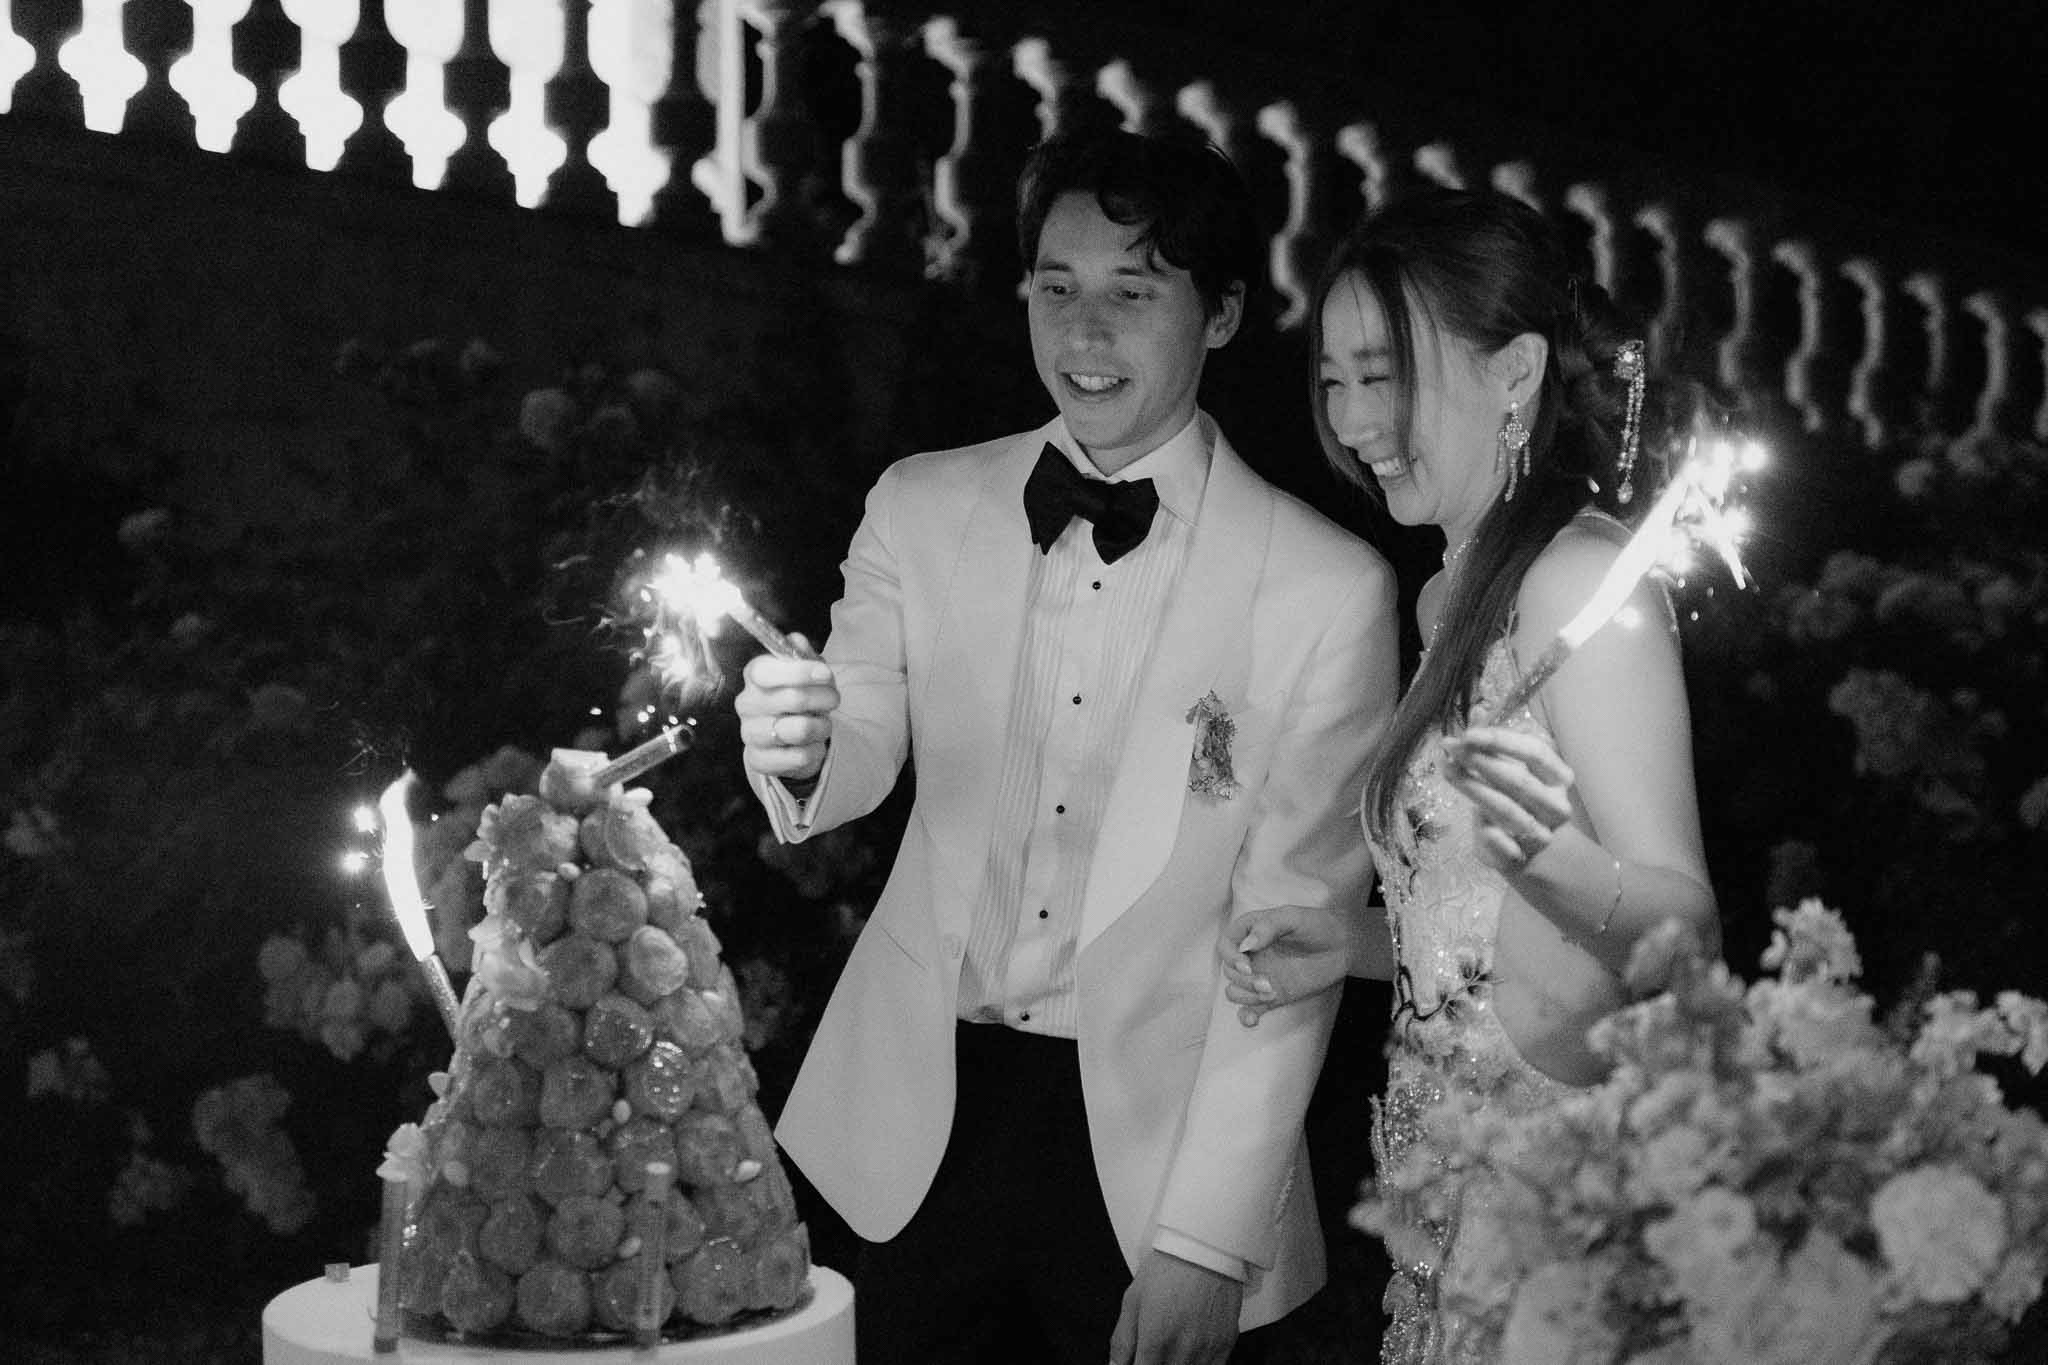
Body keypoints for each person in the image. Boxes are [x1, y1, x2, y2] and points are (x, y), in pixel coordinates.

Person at [732, 127, 1397, 1365]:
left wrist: (1207, 1241)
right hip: (903, 1132)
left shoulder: (1323, 588)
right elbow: (858, 728)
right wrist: (806, 742)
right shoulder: (919, 506)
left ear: (1222, 314)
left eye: (1131, 293)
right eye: (1056, 287)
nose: (1083, 335)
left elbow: (1290, 934)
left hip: (1151, 1158)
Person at [1220, 188, 1721, 1363]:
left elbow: (1684, 925)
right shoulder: (1452, 593)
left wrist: (1553, 861)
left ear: (1514, 374)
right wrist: (1350, 946)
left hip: (1559, 1207)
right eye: (1333, 378)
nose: (1349, 419)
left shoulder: (1577, 583)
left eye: (1383, 373)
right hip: (1443, 1199)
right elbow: (1479, 928)